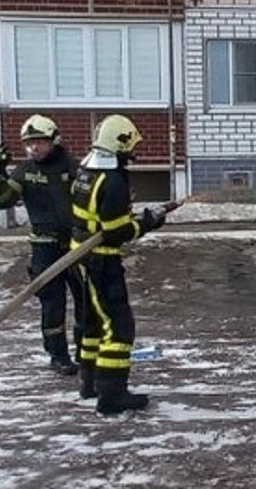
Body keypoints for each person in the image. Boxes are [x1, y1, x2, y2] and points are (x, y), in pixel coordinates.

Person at [70, 115, 175, 415]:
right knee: (118, 329)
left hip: (80, 258)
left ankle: (89, 383)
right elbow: (116, 232)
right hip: (101, 262)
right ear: (119, 143)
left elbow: (99, 220)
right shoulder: (113, 180)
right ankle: (112, 396)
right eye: (131, 145)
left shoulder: (86, 171)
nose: (134, 151)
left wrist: (140, 219)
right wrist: (147, 224)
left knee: (92, 324)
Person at [0, 114, 86, 377]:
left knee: (85, 302)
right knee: (52, 305)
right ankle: (58, 356)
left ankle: (87, 353)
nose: (34, 148)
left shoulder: (72, 168)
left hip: (76, 246)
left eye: (40, 142)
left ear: (54, 140)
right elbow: (3, 200)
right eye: (29, 144)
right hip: (44, 248)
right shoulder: (26, 172)